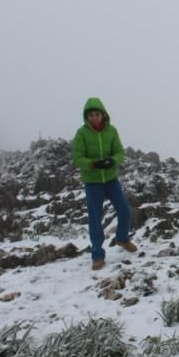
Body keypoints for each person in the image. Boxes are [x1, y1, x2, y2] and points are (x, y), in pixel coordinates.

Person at [72, 97, 137, 270]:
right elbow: (78, 158)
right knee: (95, 219)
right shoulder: (81, 134)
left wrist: (113, 161)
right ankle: (97, 255)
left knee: (124, 211)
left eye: (97, 114)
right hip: (93, 183)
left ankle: (122, 238)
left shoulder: (111, 131)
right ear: (87, 117)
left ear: (103, 114)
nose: (95, 117)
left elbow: (119, 151)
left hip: (111, 180)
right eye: (91, 115)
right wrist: (93, 164)